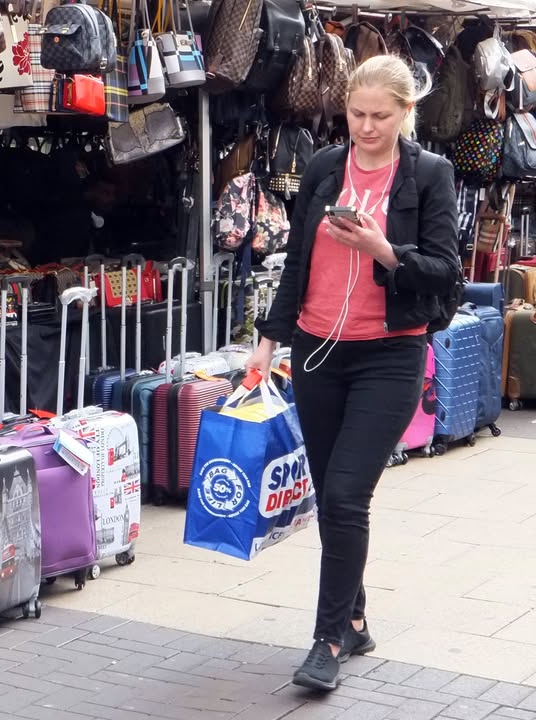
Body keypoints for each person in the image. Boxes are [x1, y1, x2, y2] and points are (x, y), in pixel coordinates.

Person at [246, 55, 462, 692]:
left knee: (345, 496)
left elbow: (445, 270)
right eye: (356, 114)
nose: (366, 127)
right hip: (317, 352)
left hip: (389, 355)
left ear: (406, 113)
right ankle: (357, 618)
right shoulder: (322, 167)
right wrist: (266, 342)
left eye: (380, 116)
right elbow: (297, 263)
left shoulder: (429, 174)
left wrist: (384, 251)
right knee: (332, 497)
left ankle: (329, 640)